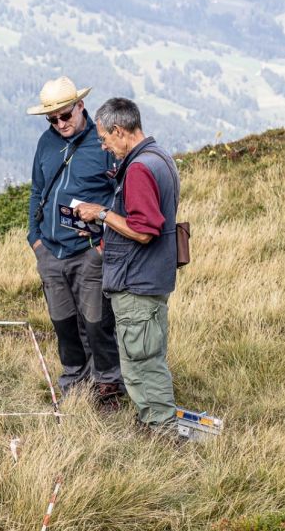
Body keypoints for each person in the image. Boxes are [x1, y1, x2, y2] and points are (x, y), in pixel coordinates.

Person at [73, 98, 180, 434]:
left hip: (137, 280)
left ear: (119, 131)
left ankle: (160, 428)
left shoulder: (138, 169)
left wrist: (102, 214)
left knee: (141, 360)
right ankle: (151, 418)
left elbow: (144, 230)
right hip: (151, 276)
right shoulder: (159, 156)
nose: (103, 145)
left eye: (104, 138)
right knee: (144, 354)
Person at [27, 76, 126, 410]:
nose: (60, 123)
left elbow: (123, 196)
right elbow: (37, 191)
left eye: (65, 115)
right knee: (63, 323)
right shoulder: (45, 143)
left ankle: (108, 384)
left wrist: (101, 242)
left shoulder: (104, 145)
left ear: (80, 106)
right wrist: (35, 239)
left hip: (89, 253)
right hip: (50, 251)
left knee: (98, 322)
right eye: (52, 119)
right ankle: (75, 380)